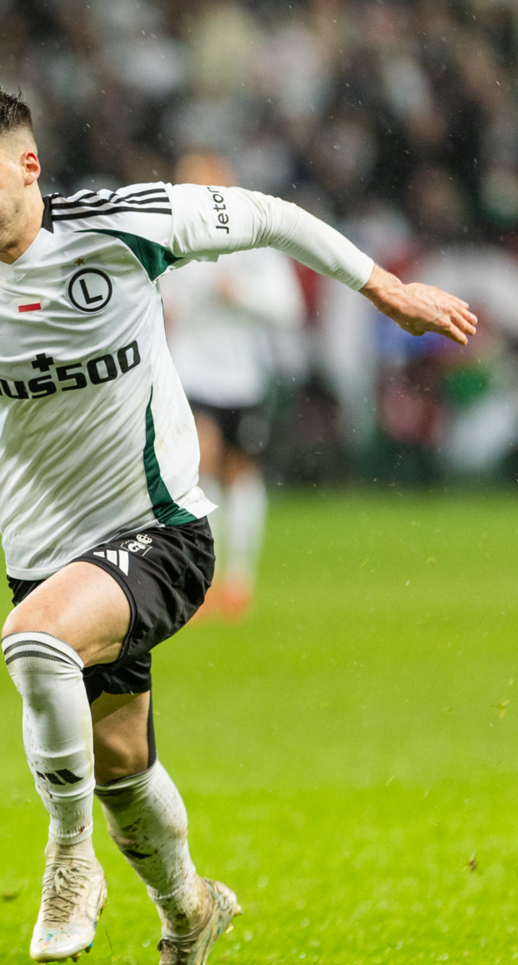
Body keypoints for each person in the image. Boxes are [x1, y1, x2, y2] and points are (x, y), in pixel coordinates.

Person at [0, 85, 474, 965]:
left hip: (161, 532)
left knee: (32, 642)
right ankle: (189, 913)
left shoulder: (124, 224)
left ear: (28, 166)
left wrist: (383, 289)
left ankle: (69, 862)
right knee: (119, 764)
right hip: (49, 553)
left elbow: (267, 215)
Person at [160, 152, 305, 620]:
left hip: (243, 377)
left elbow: (289, 306)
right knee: (200, 469)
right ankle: (205, 579)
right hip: (192, 373)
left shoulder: (252, 239)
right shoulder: (172, 239)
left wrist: (238, 295)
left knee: (241, 475)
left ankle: (239, 579)